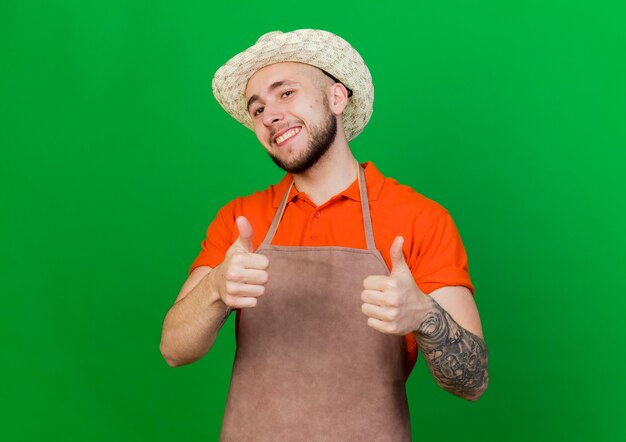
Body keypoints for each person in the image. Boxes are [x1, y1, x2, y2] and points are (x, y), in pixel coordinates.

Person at [160, 29, 488, 440]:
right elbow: (174, 350)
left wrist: (424, 316)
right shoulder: (241, 220)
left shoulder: (419, 218)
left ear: (336, 98)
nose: (269, 115)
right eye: (256, 108)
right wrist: (216, 287)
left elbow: (472, 382)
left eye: (285, 93)